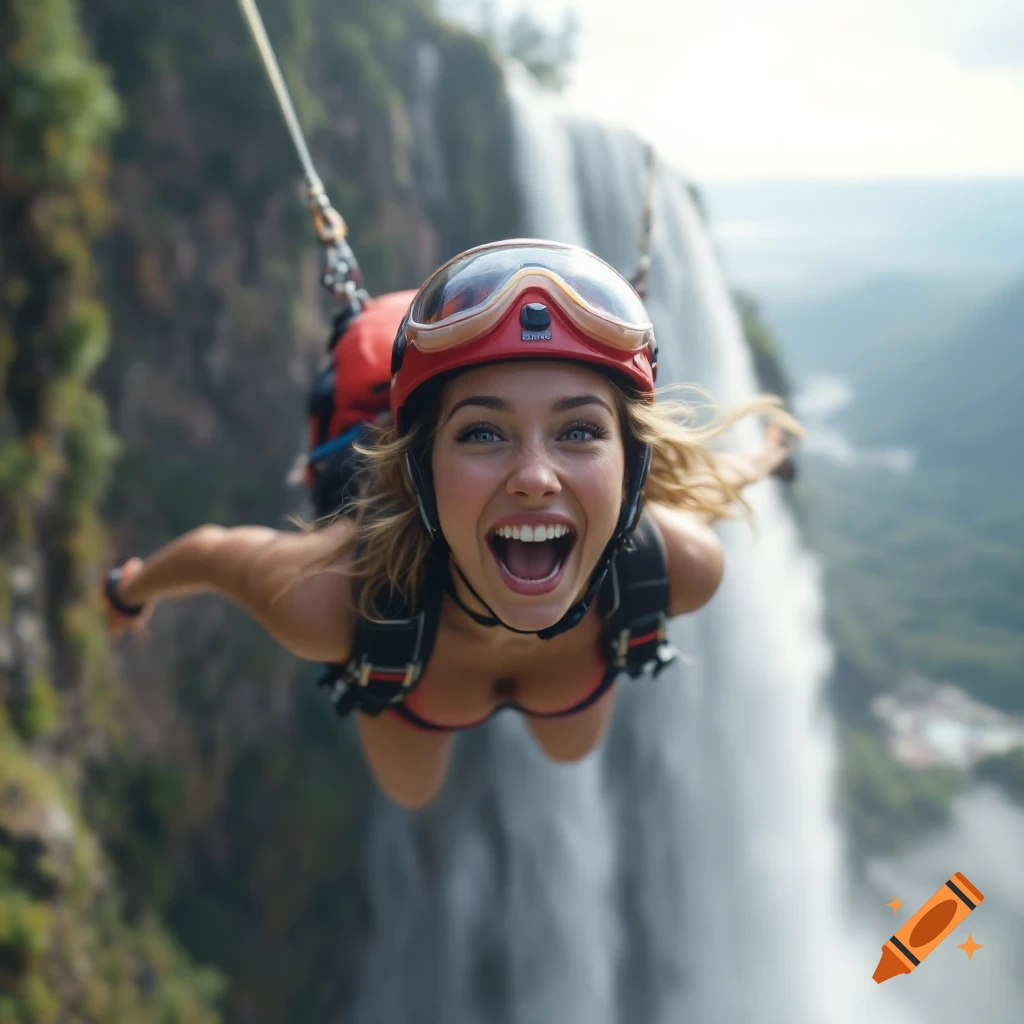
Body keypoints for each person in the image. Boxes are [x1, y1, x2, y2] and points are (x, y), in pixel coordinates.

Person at [103, 239, 798, 809]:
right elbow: (216, 554)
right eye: (482, 435)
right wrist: (132, 586)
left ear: (631, 469)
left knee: (566, 748)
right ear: (422, 469)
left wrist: (765, 458)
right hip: (403, 661)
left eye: (580, 431)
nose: (535, 476)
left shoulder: (679, 563)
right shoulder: (330, 596)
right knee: (414, 790)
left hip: (460, 676)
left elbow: (707, 483)